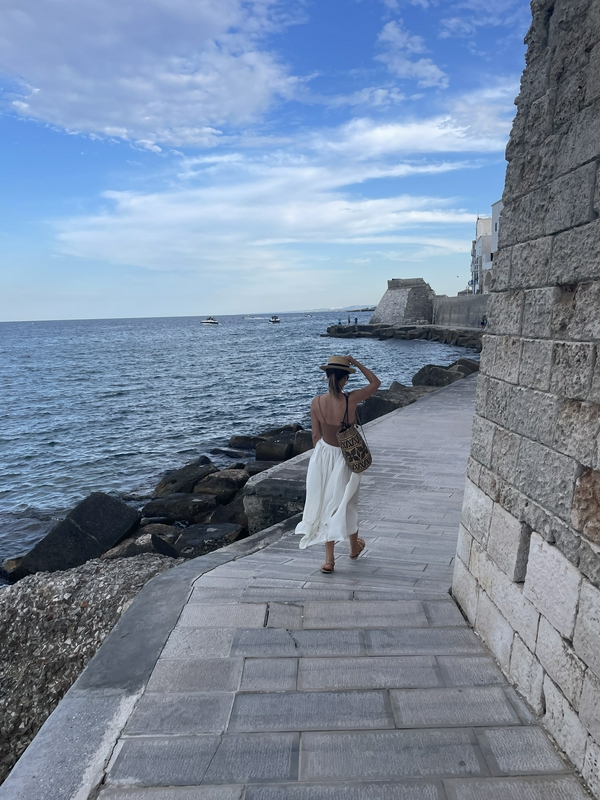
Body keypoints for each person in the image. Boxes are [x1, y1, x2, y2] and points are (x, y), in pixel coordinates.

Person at [295, 355, 381, 573]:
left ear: (327, 377)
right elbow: (375, 383)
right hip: (346, 457)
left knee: (327, 504)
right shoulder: (351, 400)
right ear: (345, 379)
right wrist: (356, 363)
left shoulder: (316, 402)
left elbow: (315, 436)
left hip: (323, 456)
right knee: (348, 502)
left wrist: (320, 460)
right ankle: (353, 548)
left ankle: (329, 560)